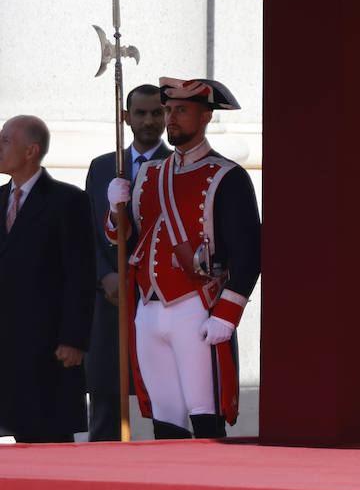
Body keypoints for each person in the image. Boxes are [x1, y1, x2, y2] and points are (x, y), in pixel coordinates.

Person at [104, 78, 261, 439]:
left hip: (196, 305)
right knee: (165, 419)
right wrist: (115, 212)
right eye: (169, 110)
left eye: (181, 110)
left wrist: (227, 313)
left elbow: (249, 252)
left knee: (205, 416)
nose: (171, 118)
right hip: (148, 306)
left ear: (205, 116)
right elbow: (126, 240)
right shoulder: (149, 173)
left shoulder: (227, 176)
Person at [83, 83, 171, 441]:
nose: (149, 121)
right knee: (106, 392)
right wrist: (105, 274)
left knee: (166, 396)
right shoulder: (103, 166)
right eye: (140, 113)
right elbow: (89, 226)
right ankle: (101, 472)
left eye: (156, 113)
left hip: (160, 298)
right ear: (126, 117)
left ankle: (171, 472)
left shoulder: (175, 164)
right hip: (111, 297)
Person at [0, 115, 95, 443]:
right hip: (7, 344)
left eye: (6, 141)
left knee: (50, 436)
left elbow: (80, 275)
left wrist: (74, 339)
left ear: (31, 151)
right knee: (18, 434)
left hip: (49, 345)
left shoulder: (67, 201)